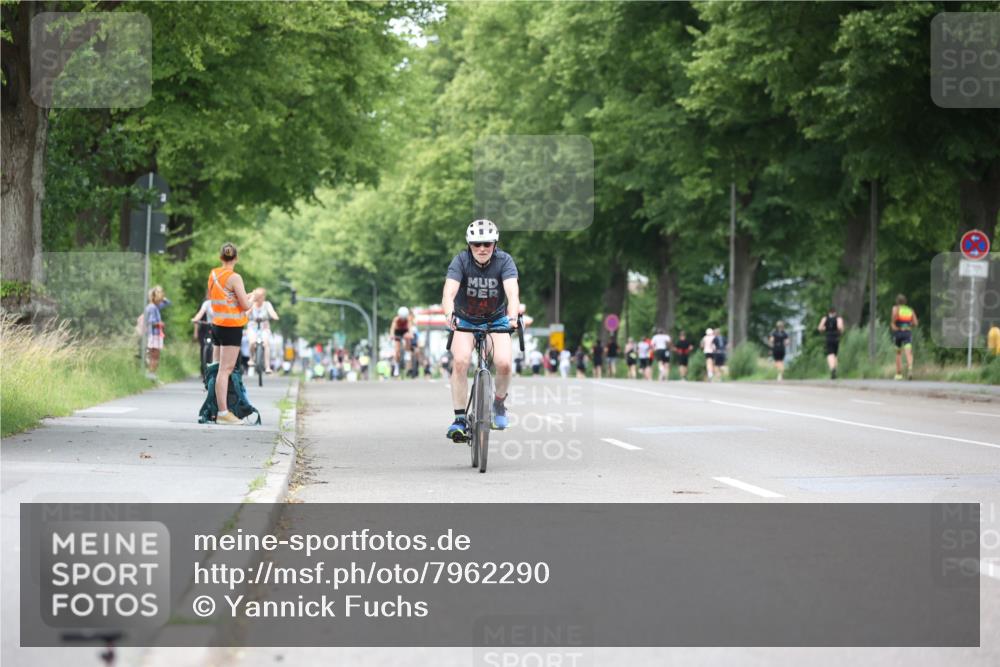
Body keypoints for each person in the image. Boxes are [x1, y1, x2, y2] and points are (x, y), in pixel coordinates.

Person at [441, 219, 520, 442]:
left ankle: (499, 404)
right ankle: (459, 419)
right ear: (469, 245)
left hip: (496, 320)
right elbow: (448, 293)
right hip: (465, 320)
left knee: (504, 363)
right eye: (477, 244)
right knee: (460, 361)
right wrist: (449, 315)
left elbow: (512, 293)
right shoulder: (461, 261)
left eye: (487, 244)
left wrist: (513, 317)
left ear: (495, 244)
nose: (482, 249)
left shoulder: (504, 261)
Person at [207, 243, 251, 424]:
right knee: (225, 370)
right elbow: (245, 305)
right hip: (231, 327)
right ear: (236, 258)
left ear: (221, 257)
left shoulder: (213, 274)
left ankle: (214, 408)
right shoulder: (235, 277)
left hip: (217, 324)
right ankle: (223, 413)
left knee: (216, 368)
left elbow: (223, 298)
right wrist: (251, 298)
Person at [246, 287, 279, 375]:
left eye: (261, 296)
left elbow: (272, 312)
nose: (260, 298)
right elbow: (246, 313)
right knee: (252, 342)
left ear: (264, 296)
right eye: (258, 296)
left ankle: (267, 367)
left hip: (264, 327)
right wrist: (248, 312)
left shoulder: (267, 304)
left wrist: (274, 316)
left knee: (266, 343)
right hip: (253, 327)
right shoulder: (252, 304)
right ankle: (251, 358)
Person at [144, 286, 170, 380]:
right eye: (159, 298)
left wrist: (160, 294)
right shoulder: (152, 307)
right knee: (155, 356)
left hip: (155, 334)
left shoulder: (155, 306)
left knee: (154, 355)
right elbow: (151, 322)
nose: (161, 301)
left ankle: (152, 374)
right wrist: (160, 324)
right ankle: (151, 374)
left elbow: (168, 302)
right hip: (154, 335)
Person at [890, 294, 919, 380]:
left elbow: (893, 321)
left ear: (897, 301)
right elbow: (915, 323)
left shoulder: (895, 309)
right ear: (905, 302)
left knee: (898, 353)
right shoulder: (910, 310)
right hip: (907, 333)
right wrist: (908, 326)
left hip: (898, 333)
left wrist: (895, 327)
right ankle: (910, 368)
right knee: (908, 352)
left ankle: (899, 374)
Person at [818, 305, 844, 379]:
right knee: (835, 354)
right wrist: (840, 332)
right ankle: (835, 369)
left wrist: (825, 328)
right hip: (836, 338)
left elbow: (819, 328)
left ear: (829, 312)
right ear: (835, 312)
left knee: (830, 354)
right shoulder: (838, 318)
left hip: (828, 337)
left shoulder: (825, 318)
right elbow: (840, 327)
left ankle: (832, 369)